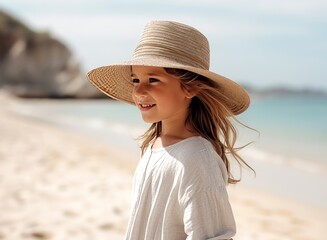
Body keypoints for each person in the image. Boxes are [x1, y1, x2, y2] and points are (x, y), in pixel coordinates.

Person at [87, 20, 252, 240]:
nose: (139, 91)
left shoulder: (197, 159)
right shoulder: (154, 144)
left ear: (190, 87)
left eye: (153, 80)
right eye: (135, 79)